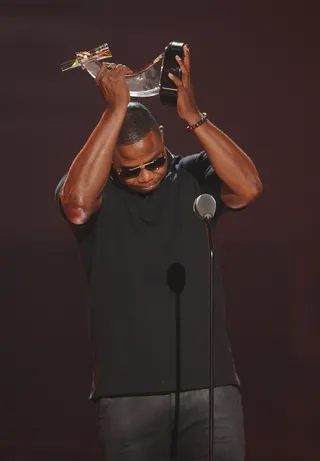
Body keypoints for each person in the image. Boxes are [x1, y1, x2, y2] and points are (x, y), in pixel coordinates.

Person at [55, 44, 262, 461]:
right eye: (130, 170)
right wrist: (114, 112)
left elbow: (248, 189)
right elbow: (76, 204)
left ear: (162, 142)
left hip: (209, 388)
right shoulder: (96, 191)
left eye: (153, 163)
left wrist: (193, 115)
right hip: (128, 396)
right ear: (111, 160)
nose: (146, 175)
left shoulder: (191, 174)